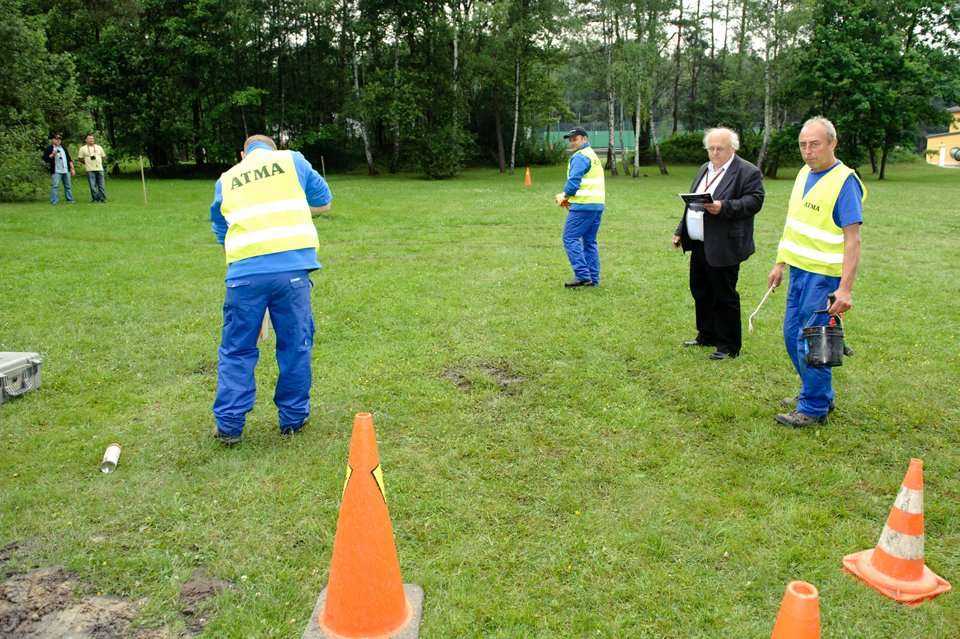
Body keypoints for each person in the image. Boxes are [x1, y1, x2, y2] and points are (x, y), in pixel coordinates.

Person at [209, 134, 332, 445]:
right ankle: (293, 419)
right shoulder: (293, 160)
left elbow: (221, 227)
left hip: (244, 275)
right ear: (273, 149)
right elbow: (324, 201)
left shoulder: (227, 178)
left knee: (237, 349)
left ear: (243, 154)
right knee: (295, 345)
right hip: (292, 272)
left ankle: (229, 426)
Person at [767, 116, 865, 427]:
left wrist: (845, 289)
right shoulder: (803, 174)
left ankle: (813, 408)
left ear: (833, 143)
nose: (808, 151)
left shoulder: (844, 182)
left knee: (813, 340)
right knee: (790, 336)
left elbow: (853, 239)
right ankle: (816, 392)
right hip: (798, 272)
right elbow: (793, 224)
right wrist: (780, 262)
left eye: (815, 144)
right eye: (803, 145)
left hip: (823, 279)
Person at [672, 128, 764, 360]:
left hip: (724, 244)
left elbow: (754, 201)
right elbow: (692, 203)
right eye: (710, 148)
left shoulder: (747, 171)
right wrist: (680, 231)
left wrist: (724, 207)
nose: (714, 153)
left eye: (719, 148)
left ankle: (729, 345)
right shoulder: (705, 168)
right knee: (700, 290)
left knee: (724, 294)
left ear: (732, 148)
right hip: (699, 242)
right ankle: (707, 334)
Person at [555, 127, 605, 287]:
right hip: (597, 205)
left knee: (569, 238)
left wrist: (564, 196)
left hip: (583, 205)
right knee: (589, 242)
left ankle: (583, 275)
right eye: (570, 139)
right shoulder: (592, 155)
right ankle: (593, 279)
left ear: (584, 139)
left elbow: (573, 182)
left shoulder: (580, 157)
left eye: (575, 138)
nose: (572, 142)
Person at [42, 134, 75, 205]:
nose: (58, 140)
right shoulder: (49, 148)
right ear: (53, 140)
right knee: (55, 186)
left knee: (68, 186)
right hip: (56, 170)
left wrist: (72, 168)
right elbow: (45, 159)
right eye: (56, 139)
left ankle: (70, 200)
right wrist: (52, 155)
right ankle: (54, 201)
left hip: (66, 170)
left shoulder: (63, 148)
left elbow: (69, 159)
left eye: (59, 139)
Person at [76, 134, 107, 202]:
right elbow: (80, 158)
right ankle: (95, 199)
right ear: (86, 140)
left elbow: (103, 157)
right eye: (89, 139)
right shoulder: (83, 148)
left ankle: (102, 198)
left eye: (92, 139)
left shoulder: (99, 147)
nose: (91, 140)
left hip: (99, 168)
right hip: (90, 169)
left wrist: (99, 161)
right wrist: (86, 163)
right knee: (92, 186)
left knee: (101, 185)